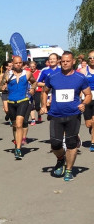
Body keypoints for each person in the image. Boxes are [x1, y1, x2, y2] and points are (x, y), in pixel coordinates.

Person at [41, 51, 92, 181]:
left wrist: (83, 104)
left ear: (73, 61)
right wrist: (43, 105)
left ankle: (69, 170)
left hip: (73, 115)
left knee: (71, 143)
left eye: (67, 61)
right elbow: (44, 91)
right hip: (56, 115)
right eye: (62, 61)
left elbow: (88, 95)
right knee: (55, 144)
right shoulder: (53, 76)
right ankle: (60, 158)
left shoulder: (80, 78)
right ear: (60, 62)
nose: (65, 63)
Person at [0, 56, 35, 159]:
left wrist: (32, 89)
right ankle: (17, 143)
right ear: (13, 64)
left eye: (20, 63)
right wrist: (3, 87)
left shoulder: (27, 73)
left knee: (19, 124)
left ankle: (18, 148)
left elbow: (34, 82)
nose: (18, 65)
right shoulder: (7, 74)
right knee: (15, 125)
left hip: (23, 101)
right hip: (11, 102)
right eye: (16, 63)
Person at [78, 51, 94, 150]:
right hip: (87, 98)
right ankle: (91, 129)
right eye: (90, 58)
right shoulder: (83, 71)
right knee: (89, 124)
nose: (92, 60)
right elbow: (79, 85)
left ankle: (93, 143)